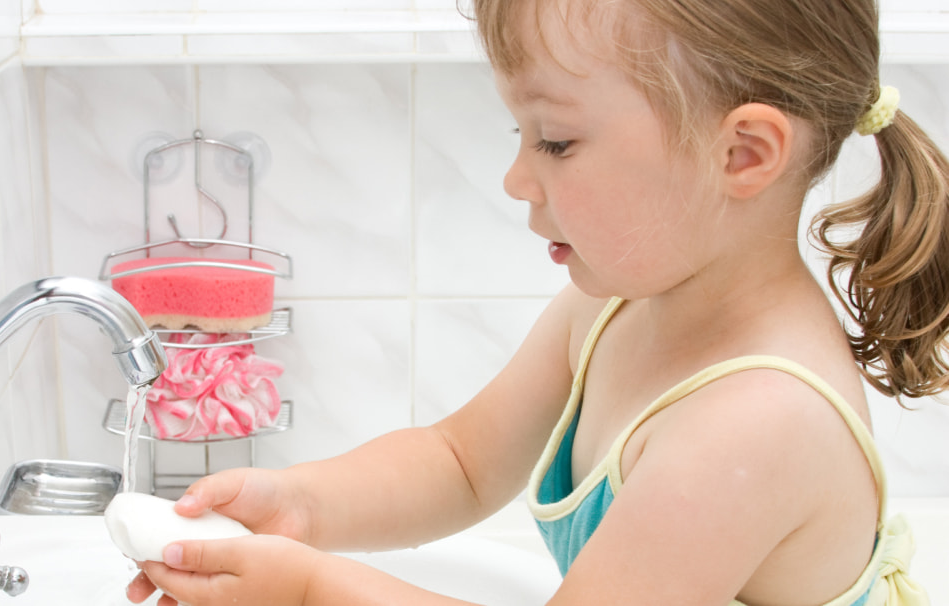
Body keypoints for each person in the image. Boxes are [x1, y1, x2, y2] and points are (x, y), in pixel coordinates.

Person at [126, 0, 949, 604]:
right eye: (519, 136)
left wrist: (310, 592)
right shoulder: (618, 308)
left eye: (555, 140)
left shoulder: (761, 421)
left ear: (742, 152)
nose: (518, 179)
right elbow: (462, 461)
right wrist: (301, 506)